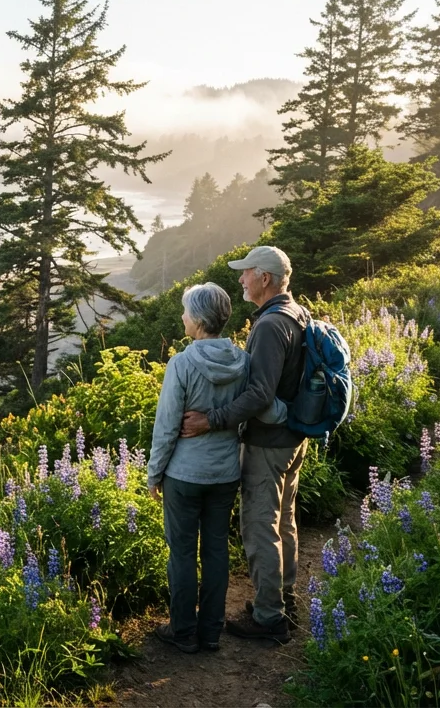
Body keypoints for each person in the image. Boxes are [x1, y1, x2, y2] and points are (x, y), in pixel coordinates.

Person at [180, 245, 308, 645]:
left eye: (246, 272)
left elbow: (259, 394)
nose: (240, 279)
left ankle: (269, 618)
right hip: (292, 438)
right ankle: (283, 600)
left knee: (259, 528)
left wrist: (211, 420)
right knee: (284, 520)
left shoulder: (270, 326)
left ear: (264, 278)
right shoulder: (296, 313)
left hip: (268, 442)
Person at [146, 282, 265, 654]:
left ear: (197, 320)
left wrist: (154, 473)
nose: (182, 317)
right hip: (225, 472)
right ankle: (211, 633)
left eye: (185, 311)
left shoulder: (181, 363)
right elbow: (249, 411)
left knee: (181, 552)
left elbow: (166, 426)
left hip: (184, 474)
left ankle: (182, 632)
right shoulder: (244, 361)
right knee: (215, 551)